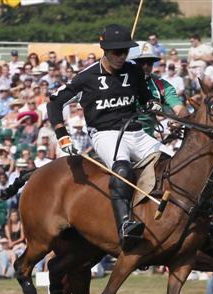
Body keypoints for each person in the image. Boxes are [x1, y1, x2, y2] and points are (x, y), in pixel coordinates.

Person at [46, 24, 156, 250]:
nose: (121, 56)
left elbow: (144, 96)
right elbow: (55, 102)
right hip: (105, 133)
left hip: (135, 131)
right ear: (105, 50)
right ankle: (125, 225)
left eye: (125, 51)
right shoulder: (87, 78)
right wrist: (62, 135)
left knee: (173, 163)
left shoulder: (133, 70)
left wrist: (150, 104)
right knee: (122, 169)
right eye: (117, 52)